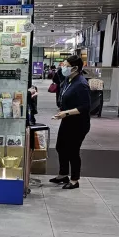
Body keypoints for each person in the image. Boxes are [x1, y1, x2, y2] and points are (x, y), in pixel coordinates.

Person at [50, 55, 90, 190]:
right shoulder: (69, 80)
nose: (63, 67)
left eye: (66, 65)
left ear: (74, 68)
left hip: (78, 123)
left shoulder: (81, 84)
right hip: (67, 120)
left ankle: (74, 180)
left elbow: (85, 107)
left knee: (73, 151)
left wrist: (66, 113)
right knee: (60, 147)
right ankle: (63, 174)